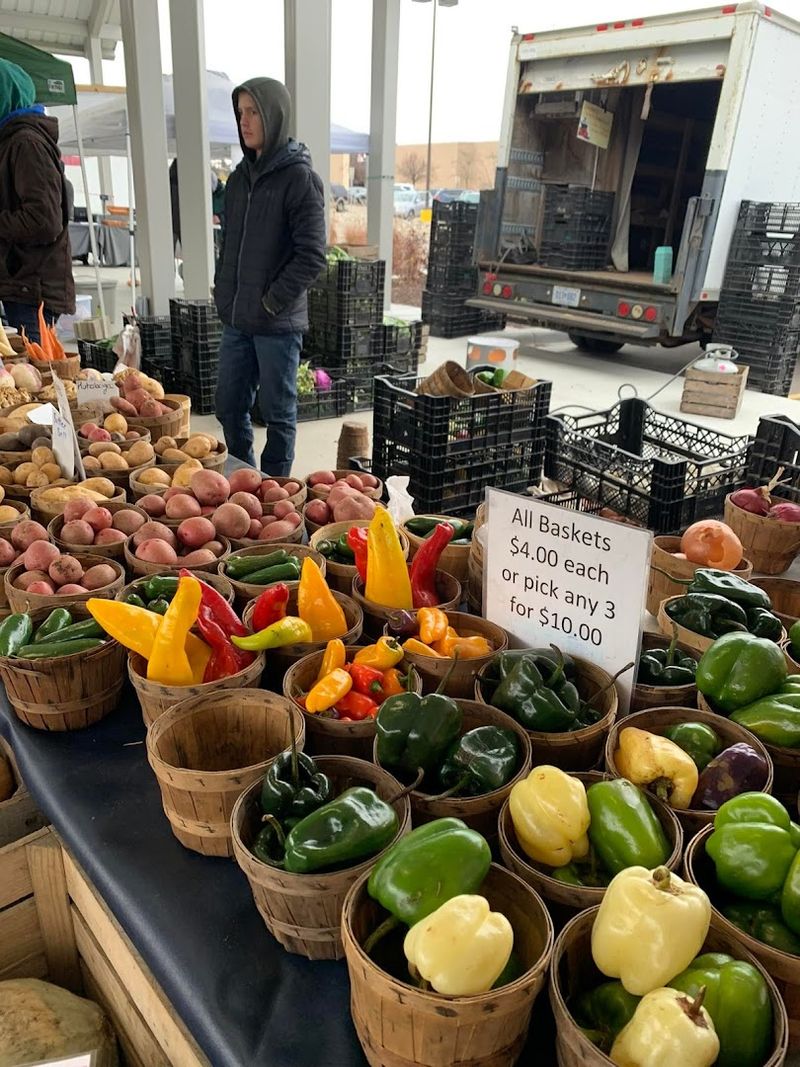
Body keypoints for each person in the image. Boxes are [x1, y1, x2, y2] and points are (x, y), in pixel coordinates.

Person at [213, 78, 326, 476]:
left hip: (277, 323)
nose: (245, 121)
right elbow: (229, 243)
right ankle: (243, 478)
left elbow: (312, 256)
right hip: (237, 319)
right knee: (228, 406)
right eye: (240, 112)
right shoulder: (239, 180)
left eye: (254, 111)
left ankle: (274, 492)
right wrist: (222, 292)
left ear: (274, 115)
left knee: (278, 414)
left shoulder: (300, 179)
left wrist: (270, 301)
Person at [0, 59, 74, 343]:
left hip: (33, 290)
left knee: (39, 376)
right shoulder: (13, 140)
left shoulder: (25, 143)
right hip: (22, 285)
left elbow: (44, 221)